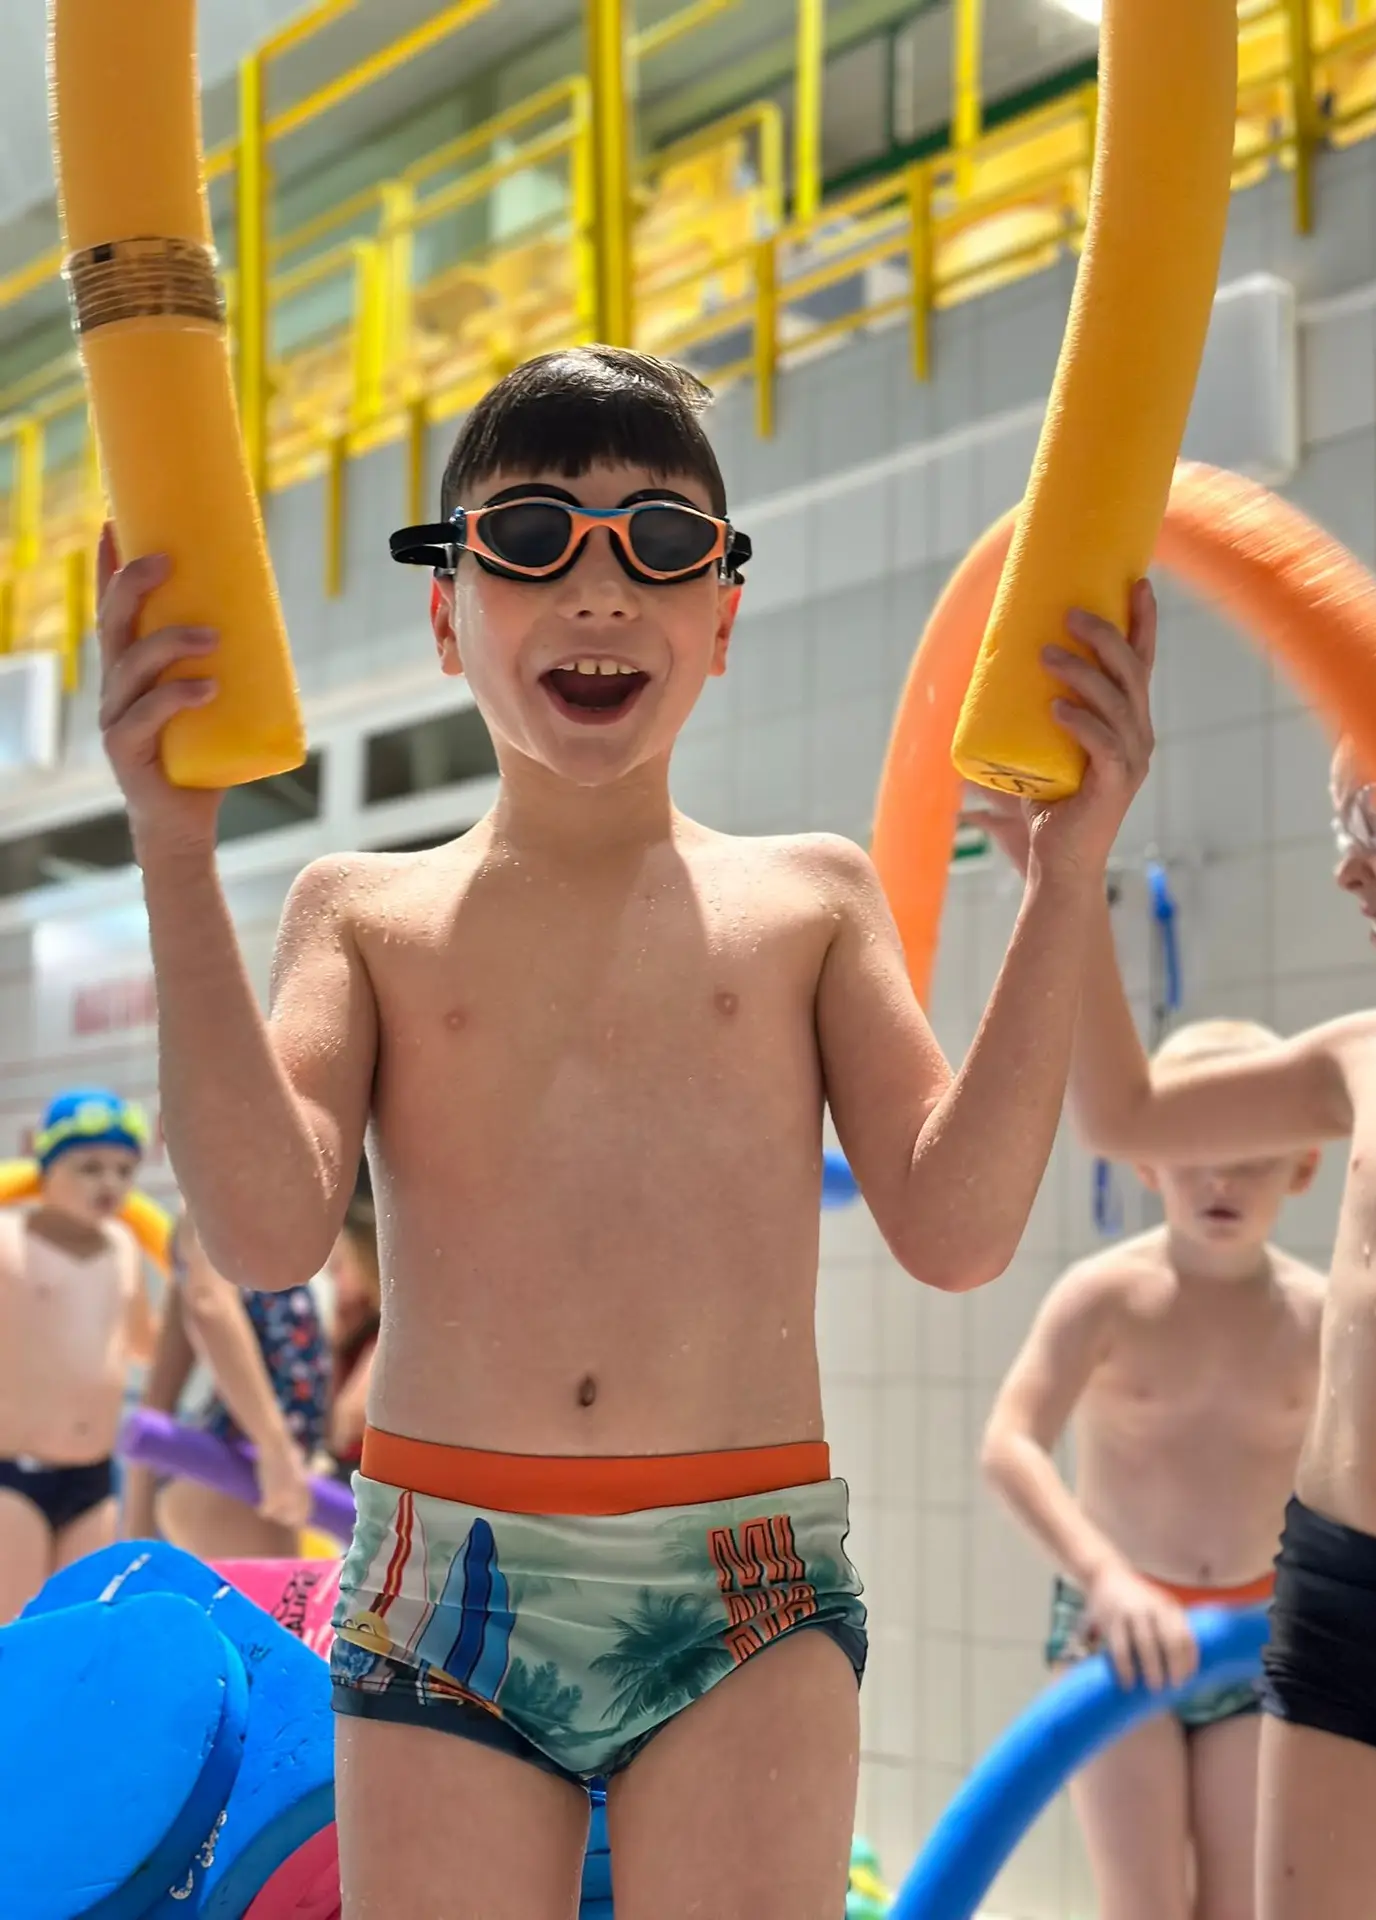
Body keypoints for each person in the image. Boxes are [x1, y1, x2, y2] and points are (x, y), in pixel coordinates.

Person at [97, 344, 1155, 1920]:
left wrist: (1065, 882)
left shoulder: (809, 901)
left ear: (722, 616)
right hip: (446, 1571)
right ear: (447, 610)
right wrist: (175, 854)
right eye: (530, 538)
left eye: (662, 542)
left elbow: (958, 1228)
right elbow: (264, 1232)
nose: (600, 589)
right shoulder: (365, 913)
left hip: (746, 1575)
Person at [973, 647, 1376, 1920]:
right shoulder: (1373, 1055)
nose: (1345, 868)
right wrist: (1064, 873)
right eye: (1338, 830)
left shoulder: (1297, 1299)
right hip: (1345, 1606)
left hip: (1263, 1612)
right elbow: (1124, 1113)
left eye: (1373, 819)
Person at [982, 1015, 1326, 1920]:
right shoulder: (1107, 1296)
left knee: (1242, 1907)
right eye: (1194, 1152)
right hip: (1116, 1626)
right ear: (1145, 1159)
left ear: (1302, 1166)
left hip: (1254, 1634)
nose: (1220, 1180)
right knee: (1144, 1906)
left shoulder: (1319, 1318)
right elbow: (1010, 1443)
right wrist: (1104, 1577)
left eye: (1251, 1156)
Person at [0, 1090, 156, 1618]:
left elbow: (142, 1345)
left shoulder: (124, 1247)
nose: (109, 1183)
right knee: (16, 1628)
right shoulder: (8, 1239)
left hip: (93, 1477)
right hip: (14, 1474)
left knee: (83, 1622)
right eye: (89, 1167)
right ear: (45, 1166)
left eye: (124, 1170)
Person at [155, 1211, 326, 1560]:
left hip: (261, 1465)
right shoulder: (212, 1214)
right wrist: (275, 1447)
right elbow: (209, 1305)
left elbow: (162, 1385)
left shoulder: (274, 1234)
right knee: (261, 1595)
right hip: (235, 1463)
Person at [326, 1196, 381, 1482]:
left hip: (358, 1479)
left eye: (337, 1268)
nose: (329, 1280)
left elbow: (344, 1425)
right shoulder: (350, 1337)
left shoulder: (384, 1336)